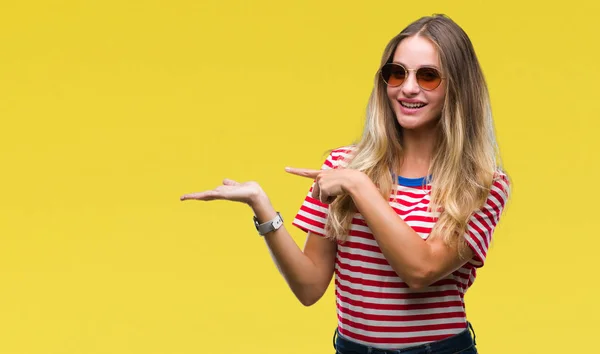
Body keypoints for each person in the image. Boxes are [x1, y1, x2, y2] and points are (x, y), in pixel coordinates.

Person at [181, 13, 510, 354]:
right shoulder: (342, 166)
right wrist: (261, 205)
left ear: (457, 87)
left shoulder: (481, 184)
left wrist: (359, 186)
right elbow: (309, 288)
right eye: (397, 73)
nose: (407, 87)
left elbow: (421, 269)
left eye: (428, 76)